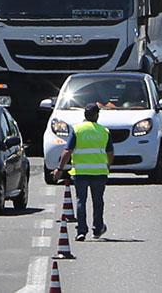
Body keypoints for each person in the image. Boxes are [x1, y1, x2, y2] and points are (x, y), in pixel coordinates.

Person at [54, 102, 114, 241]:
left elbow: (67, 151)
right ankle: (97, 228)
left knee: (81, 201)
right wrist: (107, 166)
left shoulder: (77, 130)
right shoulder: (104, 131)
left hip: (81, 172)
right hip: (99, 173)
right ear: (97, 116)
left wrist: (59, 169)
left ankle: (81, 230)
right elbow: (110, 152)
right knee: (98, 201)